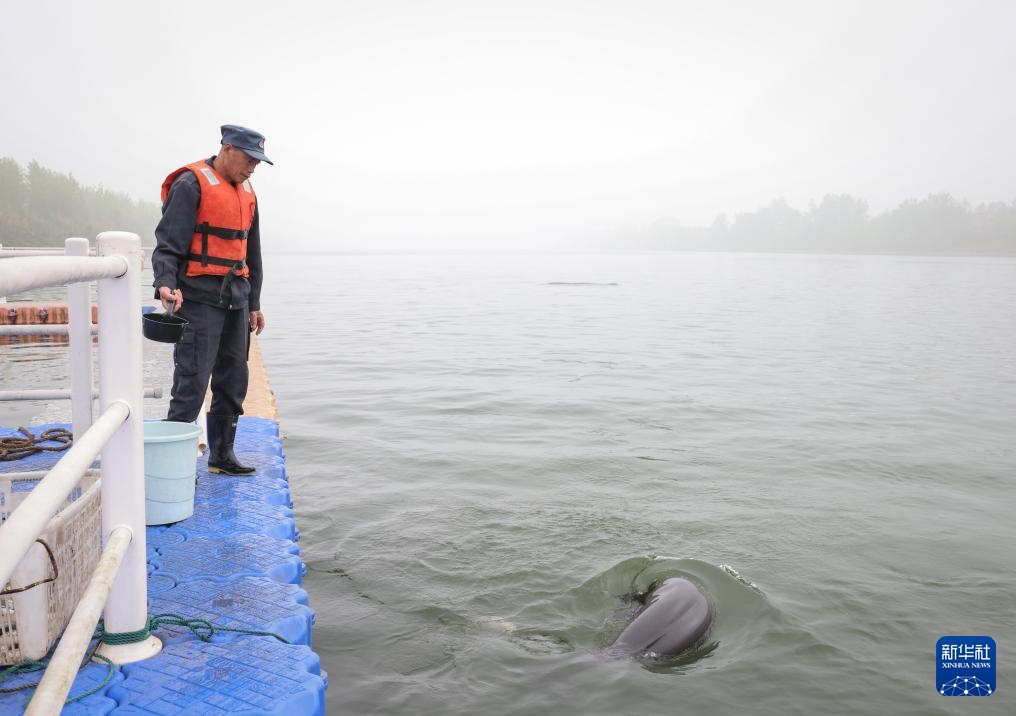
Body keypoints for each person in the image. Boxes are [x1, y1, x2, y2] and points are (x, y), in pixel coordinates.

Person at [152, 124, 272, 475]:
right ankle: (172, 468)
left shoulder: (248, 192)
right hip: (198, 300)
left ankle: (221, 456)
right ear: (228, 148)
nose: (253, 168)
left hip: (237, 299)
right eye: (249, 160)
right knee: (191, 380)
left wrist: (255, 303)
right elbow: (168, 243)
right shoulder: (190, 184)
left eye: (258, 163)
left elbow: (253, 253)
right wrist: (164, 283)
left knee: (233, 379)